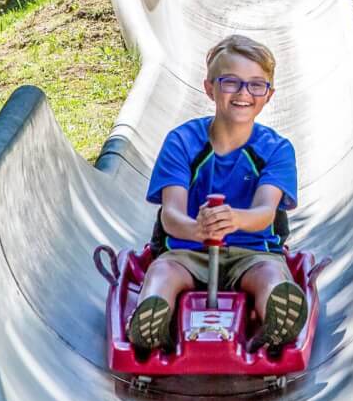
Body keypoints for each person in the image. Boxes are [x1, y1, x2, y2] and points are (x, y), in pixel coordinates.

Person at [125, 34, 307, 353]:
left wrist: (233, 219)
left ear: (268, 94)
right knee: (164, 271)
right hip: (187, 249)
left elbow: (265, 212)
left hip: (253, 251)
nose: (243, 94)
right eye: (231, 83)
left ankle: (277, 318)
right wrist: (198, 229)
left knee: (269, 274)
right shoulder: (182, 142)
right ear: (210, 88)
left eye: (255, 85)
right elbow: (171, 215)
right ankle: (153, 315)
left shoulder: (276, 149)